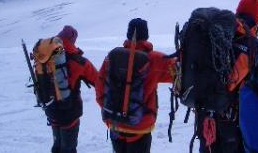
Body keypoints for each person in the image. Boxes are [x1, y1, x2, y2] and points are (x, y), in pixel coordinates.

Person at [96, 18, 176, 153]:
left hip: (115, 124)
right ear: (146, 35)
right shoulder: (156, 59)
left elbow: (99, 87)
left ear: (128, 34)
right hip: (140, 126)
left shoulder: (112, 57)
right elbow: (178, 74)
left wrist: (112, 110)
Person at [197, 0, 258, 153]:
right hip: (233, 126)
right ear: (257, 21)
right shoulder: (255, 48)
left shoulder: (216, 37)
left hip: (205, 119)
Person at [49, 25, 99, 153]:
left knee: (57, 146)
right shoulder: (78, 61)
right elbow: (98, 81)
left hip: (51, 109)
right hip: (69, 111)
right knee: (68, 148)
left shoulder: (46, 56)